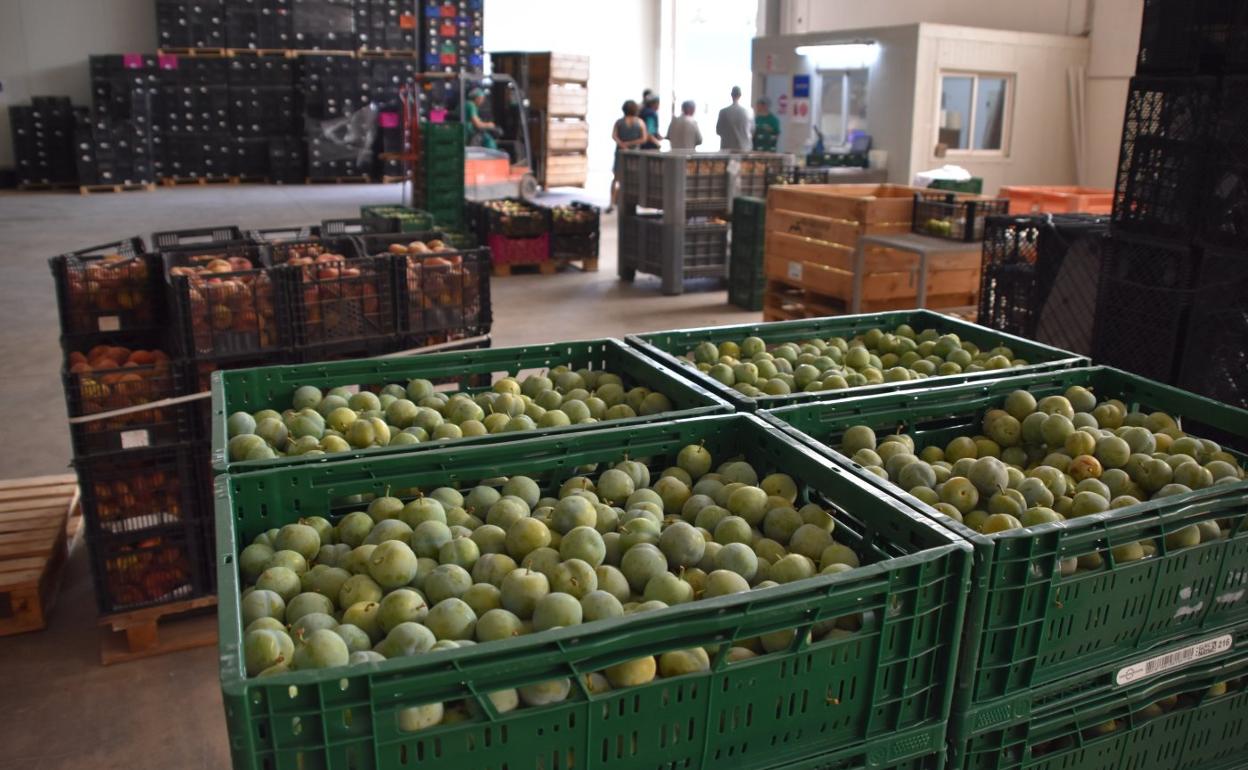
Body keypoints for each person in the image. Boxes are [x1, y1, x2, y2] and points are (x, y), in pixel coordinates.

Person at [608, 99, 648, 212]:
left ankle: (612, 202)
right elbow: (644, 138)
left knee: (616, 178)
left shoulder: (619, 122)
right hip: (634, 154)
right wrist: (631, 144)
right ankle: (632, 202)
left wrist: (622, 144)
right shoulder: (640, 122)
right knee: (633, 178)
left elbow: (614, 135)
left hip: (620, 152)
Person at [716, 85, 751, 151]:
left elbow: (718, 130)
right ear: (740, 95)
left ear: (731, 95)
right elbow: (751, 131)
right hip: (743, 148)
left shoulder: (723, 112)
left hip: (726, 148)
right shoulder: (747, 112)